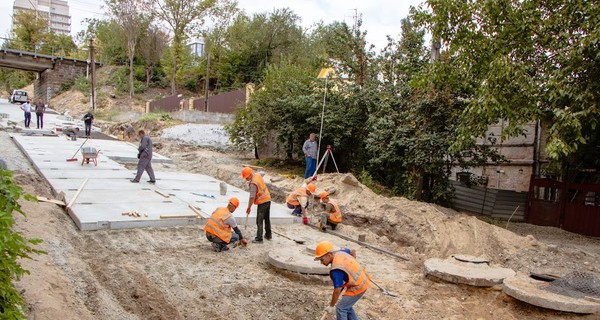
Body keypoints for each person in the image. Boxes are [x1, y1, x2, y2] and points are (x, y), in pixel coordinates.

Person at [314, 241, 368, 320]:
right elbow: (353, 251)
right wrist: (352, 264)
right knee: (346, 306)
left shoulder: (336, 270)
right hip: (363, 280)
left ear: (329, 255)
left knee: (341, 308)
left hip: (358, 287)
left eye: (322, 259)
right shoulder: (340, 253)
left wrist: (331, 306)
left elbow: (337, 290)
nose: (321, 262)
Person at [242, 167, 272, 243]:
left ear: (249, 175)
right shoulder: (257, 175)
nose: (246, 179)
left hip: (262, 202)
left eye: (246, 177)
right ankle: (268, 235)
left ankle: (259, 238)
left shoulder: (253, 184)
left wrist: (249, 207)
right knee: (267, 219)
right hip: (268, 199)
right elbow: (263, 172)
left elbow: (252, 197)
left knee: (259, 220)